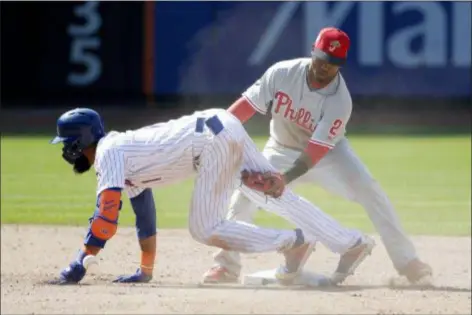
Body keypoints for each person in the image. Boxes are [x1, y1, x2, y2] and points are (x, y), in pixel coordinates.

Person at [201, 27, 432, 285]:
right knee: (243, 197)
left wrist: (284, 178)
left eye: (333, 64)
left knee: (370, 191)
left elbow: (315, 152)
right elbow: (243, 109)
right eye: (322, 59)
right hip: (280, 148)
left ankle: (408, 261)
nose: (325, 67)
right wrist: (217, 135)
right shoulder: (282, 73)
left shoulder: (339, 100)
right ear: (313, 50)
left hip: (330, 155)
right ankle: (226, 266)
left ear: (341, 65)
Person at [49, 107, 374, 285]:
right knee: (274, 194)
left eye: (66, 143)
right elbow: (144, 212)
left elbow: (106, 219)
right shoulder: (119, 152)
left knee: (204, 227)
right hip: (222, 125)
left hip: (208, 143)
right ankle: (351, 242)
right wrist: (145, 269)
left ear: (79, 141)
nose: (65, 150)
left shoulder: (107, 153)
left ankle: (294, 241)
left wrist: (78, 262)